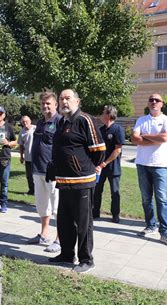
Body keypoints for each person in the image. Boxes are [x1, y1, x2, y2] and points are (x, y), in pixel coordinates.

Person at [47, 89, 105, 273]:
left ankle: (86, 259)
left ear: (77, 101)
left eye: (68, 98)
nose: (64, 101)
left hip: (82, 181)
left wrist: (83, 167)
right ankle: (66, 254)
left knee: (83, 223)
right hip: (64, 181)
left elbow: (99, 150)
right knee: (64, 221)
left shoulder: (84, 120)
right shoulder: (62, 121)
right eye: (61, 99)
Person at [131, 93, 167, 247]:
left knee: (162, 199)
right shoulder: (141, 119)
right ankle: (151, 225)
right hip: (142, 164)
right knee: (146, 199)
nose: (154, 102)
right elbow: (134, 138)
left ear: (162, 104)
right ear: (148, 103)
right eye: (151, 100)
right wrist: (154, 139)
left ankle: (165, 232)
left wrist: (145, 136)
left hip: (160, 165)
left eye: (157, 100)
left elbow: (164, 138)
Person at [27, 91, 62, 253]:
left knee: (57, 207)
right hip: (38, 169)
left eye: (48, 103)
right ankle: (44, 234)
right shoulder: (40, 123)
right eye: (43, 103)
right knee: (42, 205)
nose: (45, 106)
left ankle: (60, 239)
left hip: (53, 171)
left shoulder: (61, 122)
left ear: (56, 105)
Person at [93, 105, 125, 223]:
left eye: (103, 112)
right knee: (97, 190)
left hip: (113, 167)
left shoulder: (118, 129)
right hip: (100, 167)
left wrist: (105, 163)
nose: (101, 114)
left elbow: (118, 149)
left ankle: (115, 215)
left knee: (114, 192)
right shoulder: (100, 130)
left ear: (109, 115)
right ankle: (95, 212)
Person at [18, 115, 35, 195]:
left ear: (30, 121)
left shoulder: (36, 128)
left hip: (37, 157)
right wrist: (21, 156)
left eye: (26, 121)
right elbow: (21, 145)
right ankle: (31, 190)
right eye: (23, 122)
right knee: (29, 175)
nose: (25, 123)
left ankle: (39, 191)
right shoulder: (22, 131)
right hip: (28, 157)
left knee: (37, 176)